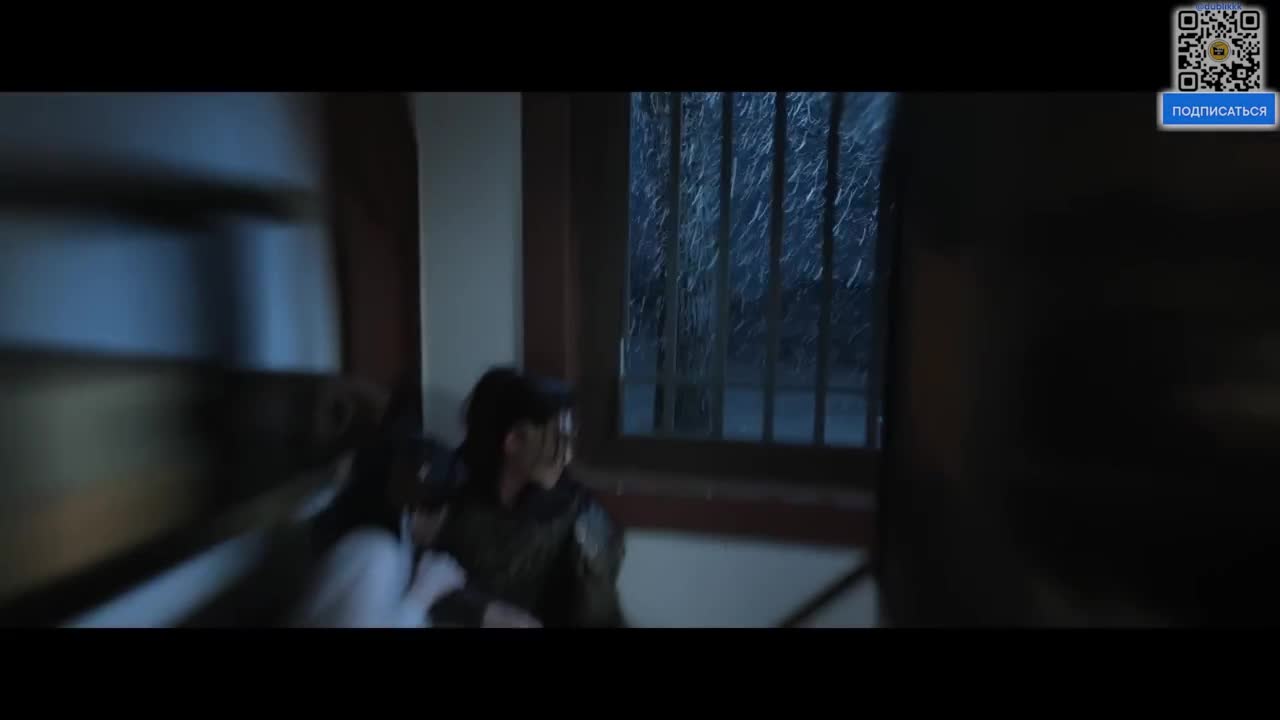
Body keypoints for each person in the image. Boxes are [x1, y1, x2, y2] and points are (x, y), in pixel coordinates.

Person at [292, 387, 539, 628]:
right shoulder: (376, 554)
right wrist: (421, 597)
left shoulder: (388, 542)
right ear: (420, 510)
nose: (445, 522)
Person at [429, 368, 628, 628]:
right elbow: (409, 577)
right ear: (514, 440)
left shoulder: (584, 520)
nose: (566, 457)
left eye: (569, 441)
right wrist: (487, 613)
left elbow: (599, 620)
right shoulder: (447, 494)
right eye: (557, 440)